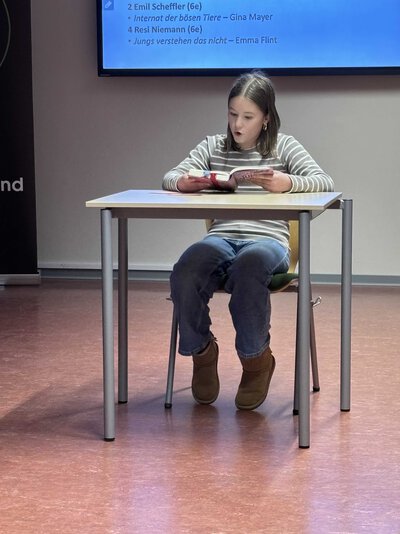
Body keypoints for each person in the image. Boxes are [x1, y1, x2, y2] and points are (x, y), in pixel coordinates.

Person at [162, 71, 334, 411]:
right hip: (222, 238)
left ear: (266, 118)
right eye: (232, 114)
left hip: (268, 241)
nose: (237, 124)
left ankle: (256, 361)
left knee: (249, 266)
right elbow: (170, 176)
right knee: (186, 270)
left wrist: (288, 183)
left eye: (247, 117)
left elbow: (324, 181)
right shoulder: (213, 146)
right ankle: (202, 352)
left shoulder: (284, 146)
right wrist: (185, 183)